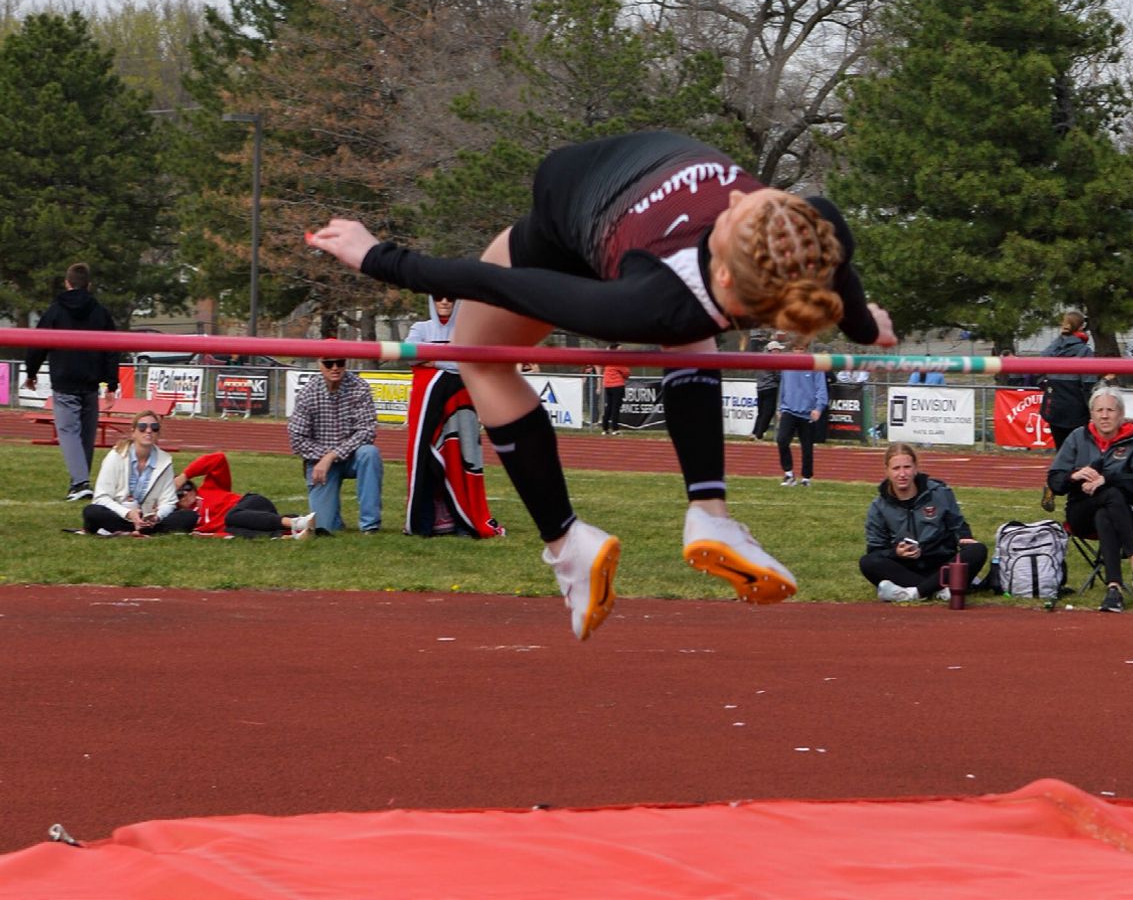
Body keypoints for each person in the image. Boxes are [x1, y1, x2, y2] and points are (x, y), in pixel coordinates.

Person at [307, 129, 897, 640]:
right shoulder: (808, 229)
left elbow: (484, 280)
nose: (740, 193)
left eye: (740, 207)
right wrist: (866, 325)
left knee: (479, 359)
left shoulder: (648, 299)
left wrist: (373, 253)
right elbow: (836, 275)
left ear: (723, 271)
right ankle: (709, 514)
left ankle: (568, 543)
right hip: (599, 210)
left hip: (565, 225)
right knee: (688, 329)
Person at [404, 296, 504, 538]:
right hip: (429, 410)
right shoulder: (421, 328)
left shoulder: (468, 331)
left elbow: (470, 365)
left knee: (462, 459)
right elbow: (408, 355)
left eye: (450, 296)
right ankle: (426, 521)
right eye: (438, 296)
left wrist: (434, 360)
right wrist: (452, 361)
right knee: (426, 460)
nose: (445, 301)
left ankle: (464, 519)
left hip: (461, 412)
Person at [24, 262, 120, 501]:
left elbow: (38, 343)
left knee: (68, 432)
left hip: (65, 380)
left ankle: (79, 483)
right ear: (89, 284)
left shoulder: (55, 310)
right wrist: (111, 383)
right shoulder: (100, 311)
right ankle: (80, 482)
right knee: (86, 434)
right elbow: (112, 349)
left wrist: (31, 372)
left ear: (67, 283)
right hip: (90, 382)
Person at [1045, 387, 1133, 613]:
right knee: (1108, 498)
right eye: (1099, 410)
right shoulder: (1077, 437)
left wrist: (1107, 479)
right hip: (1080, 512)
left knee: (1107, 507)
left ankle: (1113, 590)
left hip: (1125, 513)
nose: (1104, 416)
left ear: (1121, 414)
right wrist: (1074, 475)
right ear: (1091, 414)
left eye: (1110, 410)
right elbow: (1055, 482)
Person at [859, 442, 988, 602]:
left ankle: (912, 593)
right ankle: (939, 590)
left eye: (907, 467)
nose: (902, 474)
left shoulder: (939, 493)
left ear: (915, 468)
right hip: (906, 567)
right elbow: (875, 550)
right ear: (887, 471)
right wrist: (896, 552)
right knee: (867, 562)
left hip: (941, 563)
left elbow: (958, 525)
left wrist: (964, 537)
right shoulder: (878, 507)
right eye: (896, 468)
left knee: (978, 550)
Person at [287, 357, 383, 533]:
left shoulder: (359, 387)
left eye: (340, 363)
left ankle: (370, 525)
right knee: (324, 527)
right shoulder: (308, 392)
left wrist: (332, 456)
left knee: (370, 453)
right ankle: (334, 519)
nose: (335, 368)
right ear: (319, 364)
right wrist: (324, 458)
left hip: (352, 457)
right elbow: (297, 439)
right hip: (319, 461)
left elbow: (367, 430)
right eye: (329, 364)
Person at [80, 412, 198, 537]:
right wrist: (128, 513)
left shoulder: (165, 461)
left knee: (190, 517)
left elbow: (169, 502)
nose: (148, 431)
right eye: (142, 427)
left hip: (149, 520)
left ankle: (136, 530)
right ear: (133, 432)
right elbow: (101, 498)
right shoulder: (116, 456)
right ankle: (137, 530)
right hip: (119, 514)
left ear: (158, 433)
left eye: (154, 428)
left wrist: (157, 517)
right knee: (92, 512)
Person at [172, 451, 317, 540]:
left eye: (186, 486)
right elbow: (223, 535)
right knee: (233, 530)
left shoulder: (210, 488)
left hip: (254, 504)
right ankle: (292, 536)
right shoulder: (196, 524)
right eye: (179, 493)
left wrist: (184, 476)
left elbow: (218, 459)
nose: (185, 492)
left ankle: (296, 523)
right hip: (253, 524)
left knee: (231, 517)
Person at [1039, 309, 1096, 511]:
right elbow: (1088, 384)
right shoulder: (1084, 351)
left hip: (1054, 409)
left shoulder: (1054, 347)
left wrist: (1044, 384)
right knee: (1082, 456)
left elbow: (1039, 363)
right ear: (1082, 327)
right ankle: (1075, 496)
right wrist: (1093, 410)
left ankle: (1053, 484)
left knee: (1062, 453)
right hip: (1076, 411)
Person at [775, 341, 828, 487]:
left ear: (805, 349)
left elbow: (821, 389)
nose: (798, 351)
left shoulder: (815, 366)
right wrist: (780, 407)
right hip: (789, 409)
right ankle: (788, 474)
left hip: (807, 412)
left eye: (801, 348)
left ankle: (806, 478)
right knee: (782, 440)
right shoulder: (786, 366)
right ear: (791, 350)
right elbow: (783, 387)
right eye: (795, 348)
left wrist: (818, 408)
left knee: (807, 447)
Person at [751, 337, 783, 441]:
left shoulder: (761, 358)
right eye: (778, 350)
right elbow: (777, 376)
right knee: (767, 412)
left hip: (760, 388)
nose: (780, 352)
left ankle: (755, 432)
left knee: (761, 412)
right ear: (772, 350)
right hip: (770, 387)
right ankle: (759, 434)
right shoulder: (773, 360)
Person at [600, 345, 630, 435]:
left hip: (608, 386)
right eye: (620, 349)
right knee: (615, 408)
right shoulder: (618, 360)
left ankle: (605, 428)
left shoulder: (607, 359)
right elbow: (627, 373)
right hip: (617, 386)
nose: (622, 351)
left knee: (608, 407)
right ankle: (615, 429)